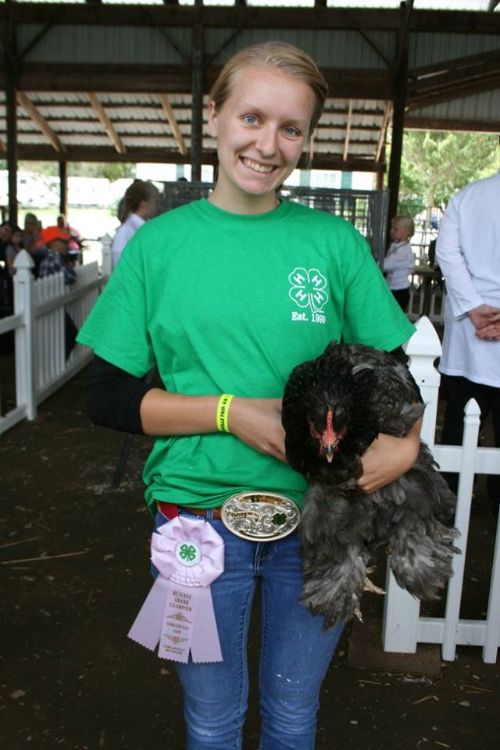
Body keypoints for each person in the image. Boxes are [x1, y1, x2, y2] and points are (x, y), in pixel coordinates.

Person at [77, 41, 421, 749]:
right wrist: (230, 413)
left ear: (306, 138)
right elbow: (105, 396)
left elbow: (392, 373)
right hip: (198, 524)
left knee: (294, 718)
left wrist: (407, 443)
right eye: (252, 118)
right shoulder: (159, 247)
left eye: (291, 128)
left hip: (321, 520)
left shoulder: (331, 244)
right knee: (211, 721)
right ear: (215, 116)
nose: (269, 144)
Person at [436, 172, 500, 517]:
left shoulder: (468, 196)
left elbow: (447, 252)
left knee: (459, 427)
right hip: (472, 334)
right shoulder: (468, 196)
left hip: (468, 334)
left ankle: (449, 503)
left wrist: (474, 307)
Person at [38, 226, 78, 358]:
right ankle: (60, 361)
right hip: (51, 303)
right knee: (70, 334)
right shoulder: (54, 258)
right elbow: (71, 277)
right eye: (64, 242)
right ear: (54, 243)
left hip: (51, 302)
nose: (67, 245)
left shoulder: (51, 258)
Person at [111, 179, 159, 268]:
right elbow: (120, 267)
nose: (158, 206)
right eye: (156, 202)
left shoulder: (145, 228)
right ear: (144, 204)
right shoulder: (125, 231)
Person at [383, 215, 415, 312]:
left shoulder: (404, 251)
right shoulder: (396, 246)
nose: (391, 231)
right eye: (392, 228)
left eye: (395, 229)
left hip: (399, 291)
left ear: (406, 232)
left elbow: (385, 265)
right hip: (392, 288)